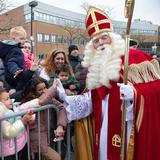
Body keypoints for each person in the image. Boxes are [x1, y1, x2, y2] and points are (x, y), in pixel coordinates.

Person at [56, 7, 160, 160]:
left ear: (113, 37)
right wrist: (67, 98)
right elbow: (95, 99)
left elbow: (157, 89)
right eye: (96, 41)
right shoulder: (97, 66)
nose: (101, 43)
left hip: (129, 126)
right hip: (105, 127)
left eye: (104, 37)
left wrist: (135, 94)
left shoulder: (135, 57)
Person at [0, 87, 53, 160]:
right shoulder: (2, 118)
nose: (10, 100)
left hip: (21, 145)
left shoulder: (12, 108)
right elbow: (9, 132)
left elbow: (23, 107)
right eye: (6, 99)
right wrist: (23, 121)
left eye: (9, 98)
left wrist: (37, 102)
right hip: (9, 152)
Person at [21, 76, 67, 160]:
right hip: (36, 137)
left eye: (45, 88)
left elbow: (61, 108)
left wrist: (60, 125)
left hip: (47, 135)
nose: (44, 91)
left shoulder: (48, 98)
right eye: (40, 89)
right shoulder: (30, 102)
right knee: (56, 158)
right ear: (33, 91)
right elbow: (41, 101)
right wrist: (52, 88)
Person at [0, 26, 39, 91]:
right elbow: (11, 62)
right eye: (21, 38)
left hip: (10, 76)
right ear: (13, 38)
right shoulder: (15, 50)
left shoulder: (9, 48)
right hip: (16, 75)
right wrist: (15, 70)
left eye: (24, 38)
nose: (24, 40)